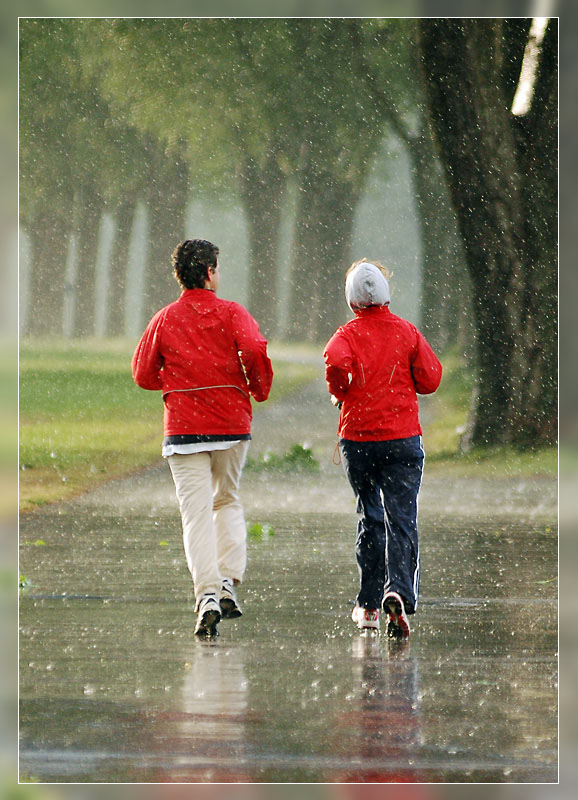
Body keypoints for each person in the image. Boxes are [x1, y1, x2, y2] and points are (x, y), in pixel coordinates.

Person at [132, 239, 273, 637]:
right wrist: (256, 389)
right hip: (230, 424)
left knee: (195, 514)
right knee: (226, 499)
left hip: (183, 429)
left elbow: (143, 372)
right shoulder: (232, 314)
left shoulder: (164, 318)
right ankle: (228, 580)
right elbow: (254, 350)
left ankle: (206, 594)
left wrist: (178, 384)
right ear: (210, 271)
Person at [324, 260, 442, 638]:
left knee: (370, 516)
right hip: (403, 441)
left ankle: (370, 605)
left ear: (352, 299)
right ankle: (400, 593)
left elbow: (335, 361)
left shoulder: (346, 334)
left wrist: (341, 390)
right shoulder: (407, 333)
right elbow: (431, 378)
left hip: (358, 442)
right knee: (401, 518)